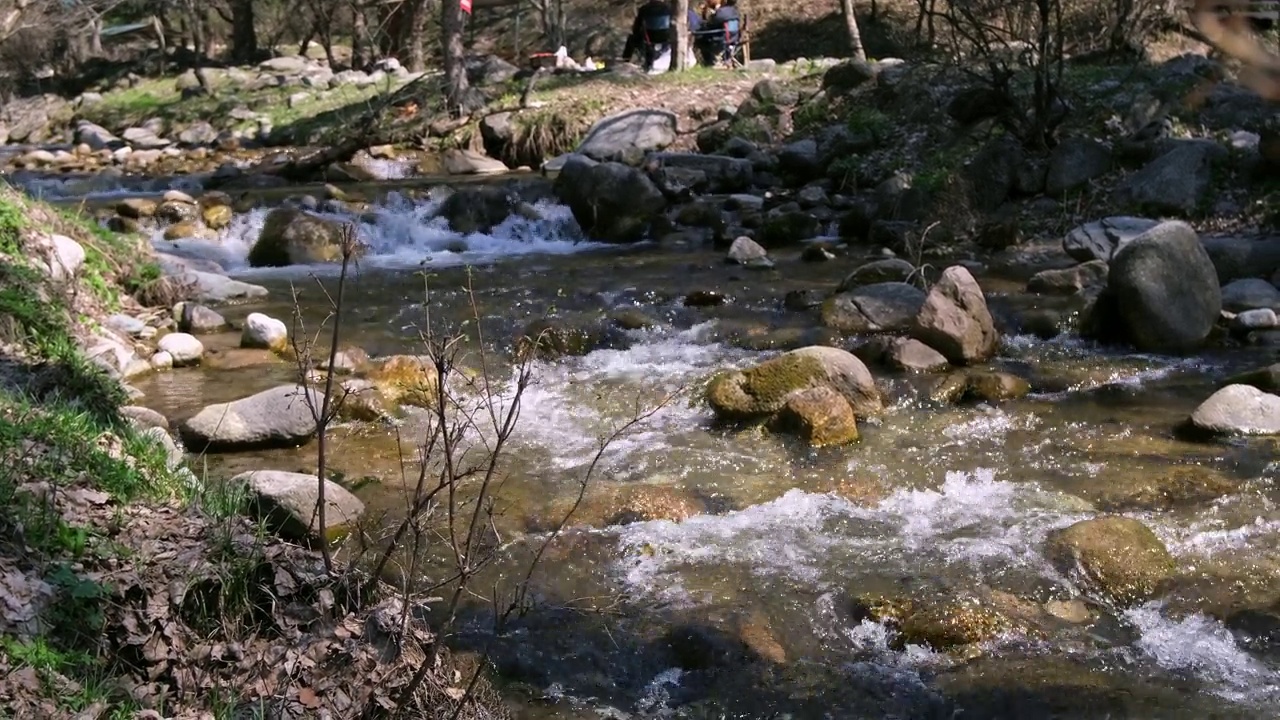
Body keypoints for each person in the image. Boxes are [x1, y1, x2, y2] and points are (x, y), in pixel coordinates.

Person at [622, 0, 673, 68]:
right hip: (667, 38)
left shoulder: (644, 8)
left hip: (650, 38)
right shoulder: (669, 8)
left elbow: (636, 27)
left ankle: (626, 60)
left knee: (631, 39)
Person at [696, 0, 740, 66]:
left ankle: (709, 62)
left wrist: (704, 15)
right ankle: (718, 60)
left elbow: (710, 24)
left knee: (700, 40)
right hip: (734, 38)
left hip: (722, 39)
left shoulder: (720, 13)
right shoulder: (734, 11)